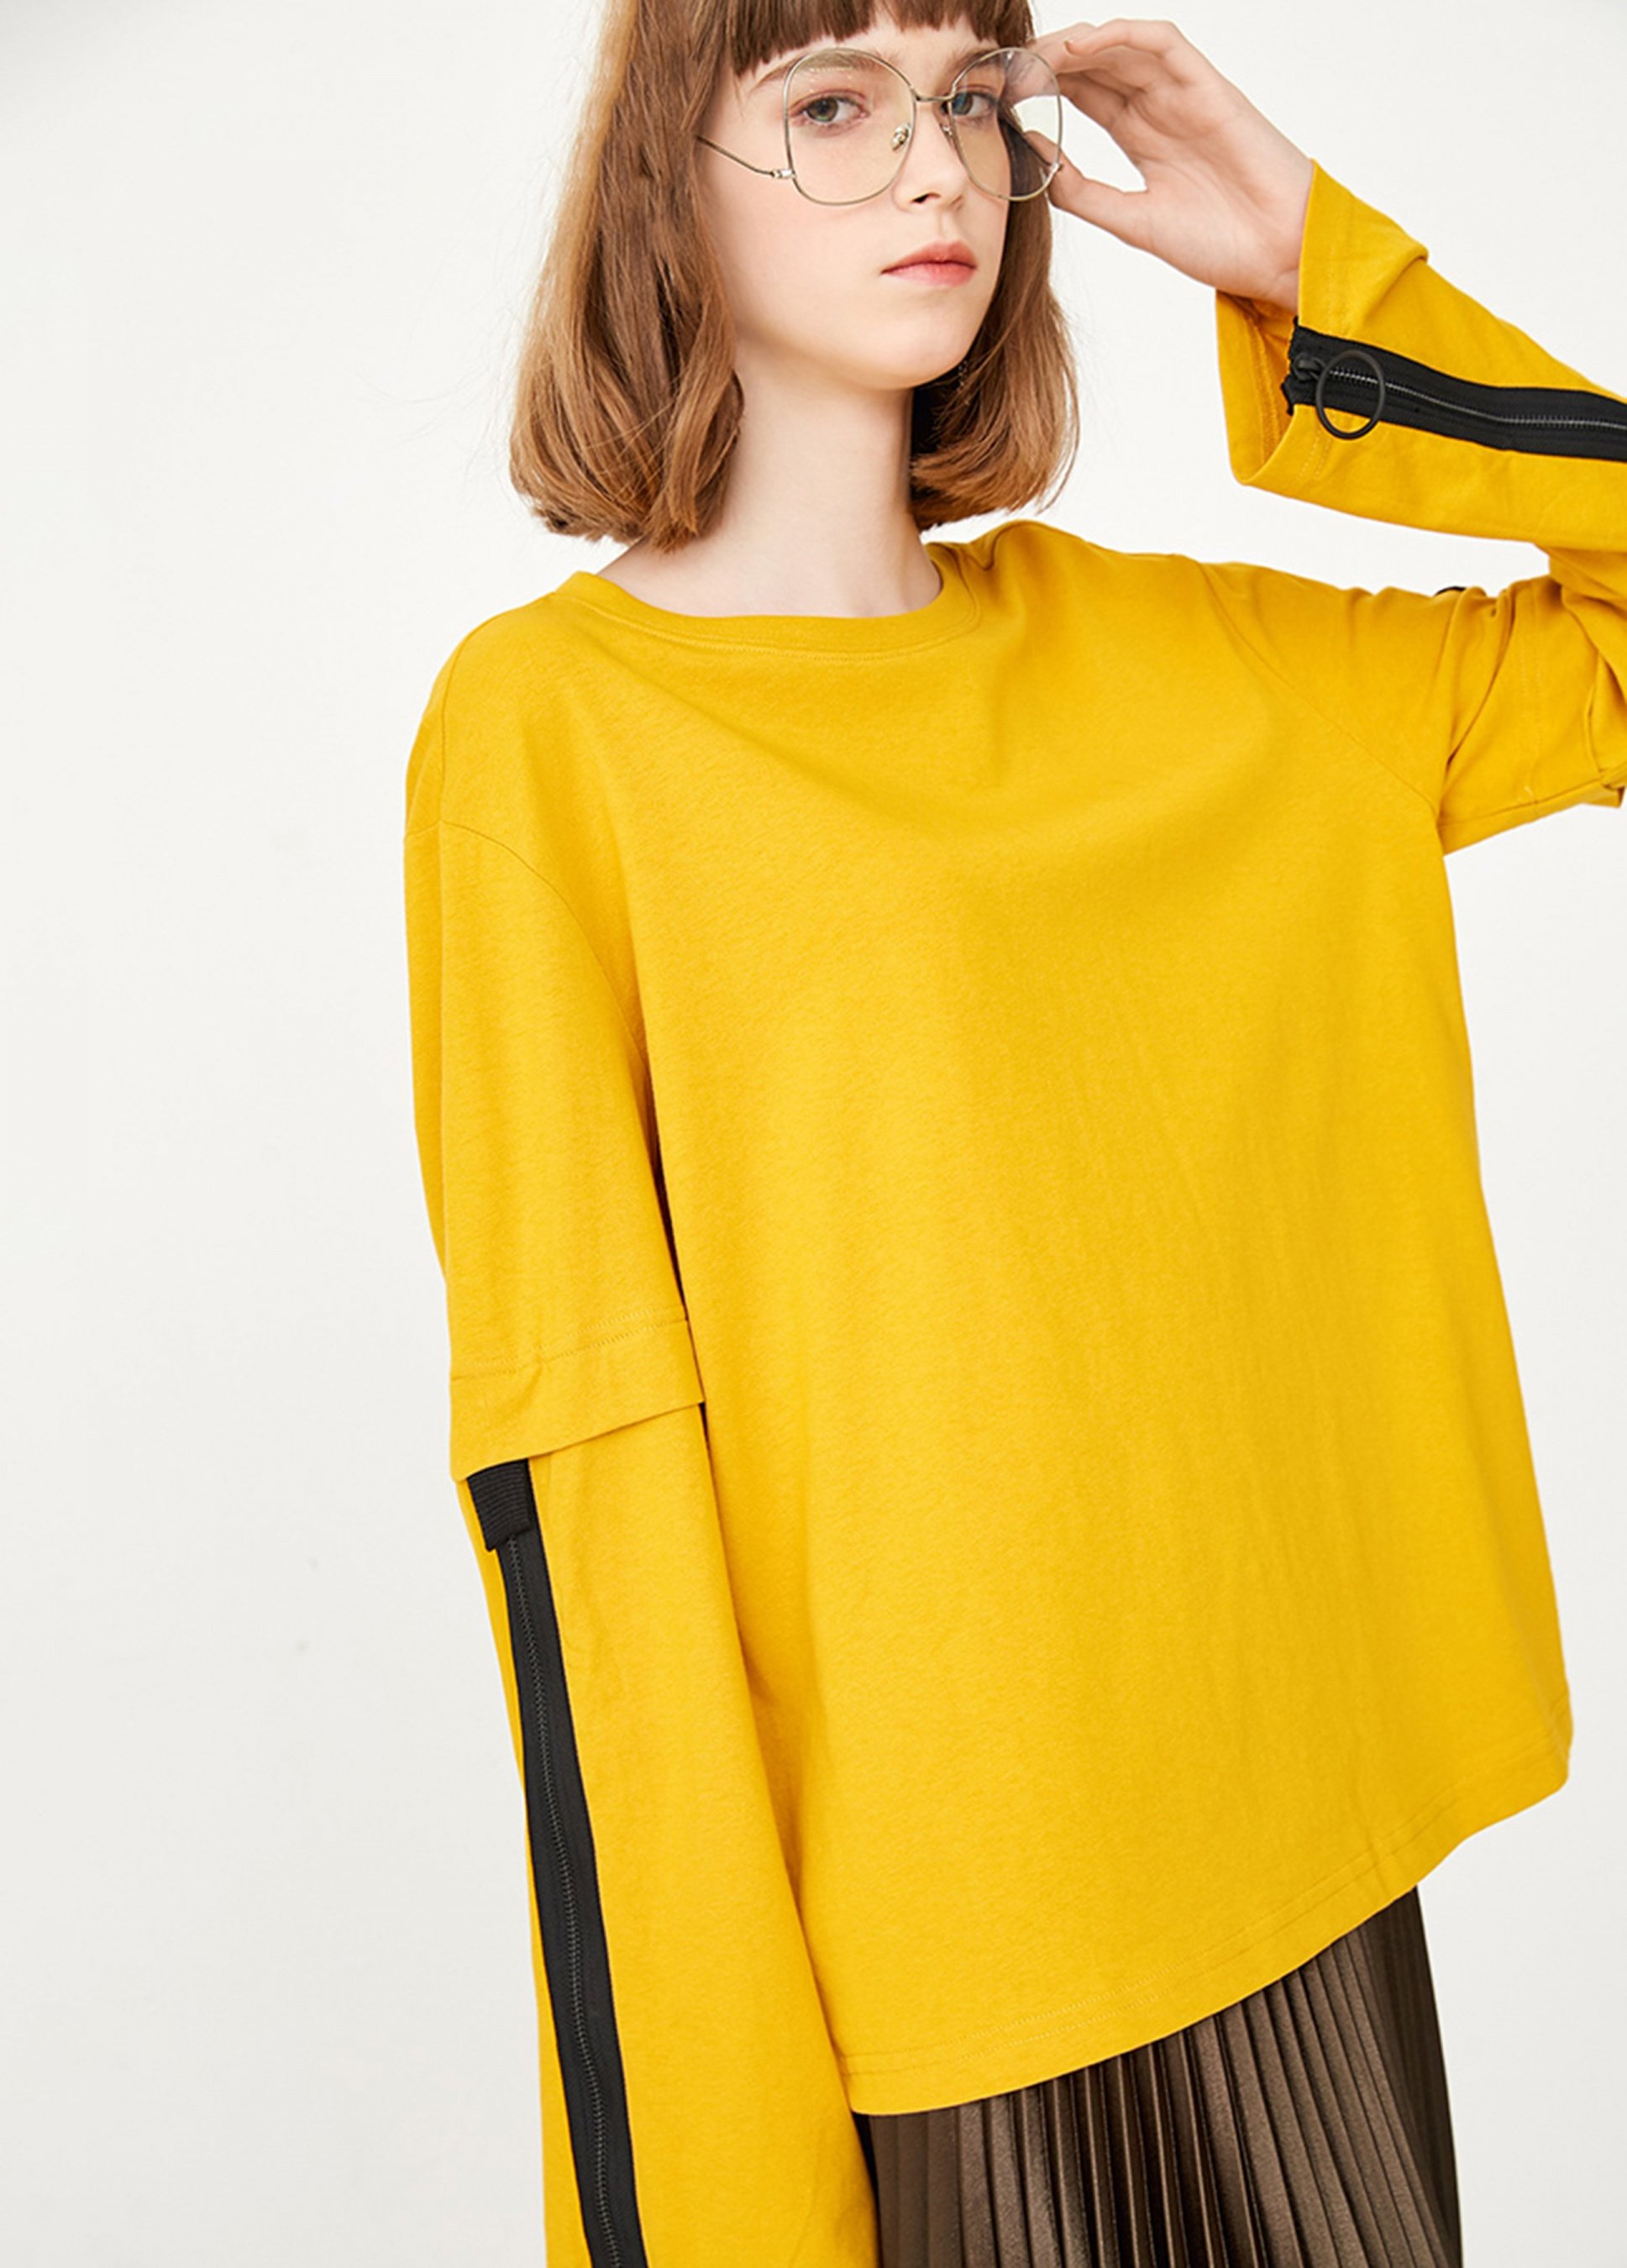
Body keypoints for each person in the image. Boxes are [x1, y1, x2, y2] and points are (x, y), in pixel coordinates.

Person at [401, 7, 1627, 2263]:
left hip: (1302, 1887)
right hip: (953, 1986)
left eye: (971, 96)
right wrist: (710, 2169)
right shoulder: (552, 733)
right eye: (831, 102)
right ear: (663, 177)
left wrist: (1321, 277)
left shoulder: (1200, 667)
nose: (936, 165)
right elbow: (582, 1461)